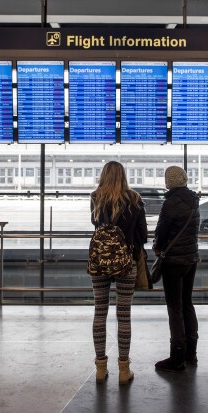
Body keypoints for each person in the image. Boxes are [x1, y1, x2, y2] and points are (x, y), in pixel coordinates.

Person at [89, 161, 148, 384]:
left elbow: (96, 223)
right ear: (123, 175)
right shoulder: (134, 198)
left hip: (100, 262)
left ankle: (100, 368)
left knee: (99, 312)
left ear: (103, 175)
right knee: (123, 314)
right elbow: (142, 234)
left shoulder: (96, 197)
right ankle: (124, 370)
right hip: (126, 263)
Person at [153, 166, 200, 372]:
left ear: (168, 182)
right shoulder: (193, 201)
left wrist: (157, 245)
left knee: (175, 308)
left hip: (173, 262)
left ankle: (177, 357)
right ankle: (191, 353)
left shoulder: (171, 202)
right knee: (187, 304)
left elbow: (161, 232)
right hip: (191, 259)